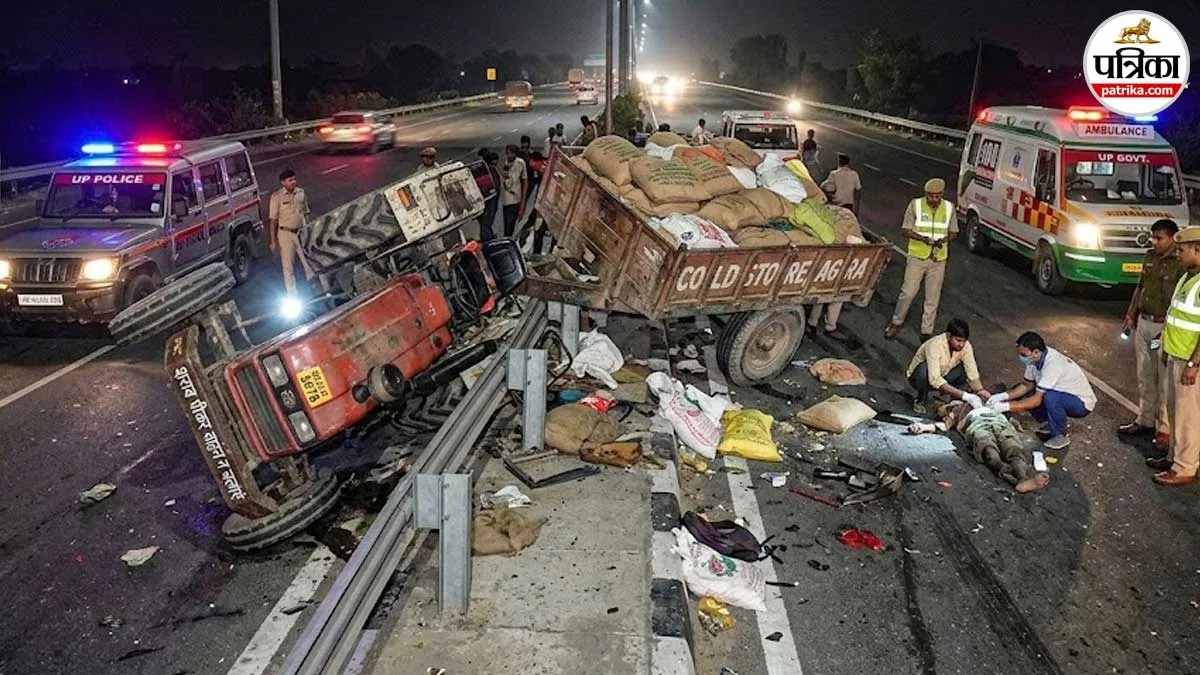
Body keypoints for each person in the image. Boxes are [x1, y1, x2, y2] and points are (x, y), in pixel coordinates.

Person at [1118, 219, 1183, 448]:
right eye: (1153, 237)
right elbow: (1140, 287)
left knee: (1164, 379)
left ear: (1173, 238)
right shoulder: (1150, 258)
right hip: (1143, 324)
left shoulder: (1180, 263)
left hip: (1163, 328)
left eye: (1159, 238)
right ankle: (1145, 420)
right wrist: (1130, 314)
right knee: (1144, 375)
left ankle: (1164, 428)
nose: (1154, 242)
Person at [1148, 226, 1200, 486]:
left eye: (1182, 250)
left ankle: (1185, 467)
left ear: (1197, 250)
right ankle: (1173, 458)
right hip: (1175, 354)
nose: (1178, 254)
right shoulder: (1188, 276)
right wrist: (1166, 348)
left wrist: (1194, 363)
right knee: (1175, 412)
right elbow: (1175, 316)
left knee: (1188, 417)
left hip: (1190, 362)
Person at [986, 332, 1096, 450]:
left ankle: (1060, 436)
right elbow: (1026, 385)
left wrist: (1005, 407)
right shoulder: (1033, 360)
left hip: (1081, 403)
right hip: (1062, 394)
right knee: (1028, 392)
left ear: (1036, 352)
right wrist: (1002, 396)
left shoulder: (1053, 364)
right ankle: (1051, 421)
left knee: (1049, 397)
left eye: (1023, 354)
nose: (1021, 357)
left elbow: (1037, 400)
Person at [884, 178, 956, 342]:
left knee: (933, 296)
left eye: (937, 196)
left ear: (942, 194)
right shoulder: (915, 205)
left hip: (938, 257)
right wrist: (923, 239)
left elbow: (954, 232)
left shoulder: (949, 207)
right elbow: (906, 230)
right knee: (908, 292)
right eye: (930, 196)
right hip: (917, 256)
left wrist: (944, 239)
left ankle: (926, 330)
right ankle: (896, 321)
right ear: (925, 194)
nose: (933, 199)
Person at [926, 401, 1050, 494]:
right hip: (979, 425)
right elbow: (943, 425)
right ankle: (1018, 481)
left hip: (1000, 423)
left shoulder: (984, 401)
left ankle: (1023, 479)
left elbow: (1010, 414)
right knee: (990, 452)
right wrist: (925, 426)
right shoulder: (958, 410)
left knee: (1012, 449)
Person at [906, 318, 991, 414]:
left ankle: (953, 403)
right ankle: (920, 401)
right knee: (923, 369)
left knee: (963, 369)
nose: (961, 345)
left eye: (964, 341)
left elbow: (972, 372)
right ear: (949, 336)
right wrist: (965, 396)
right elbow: (935, 379)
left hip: (944, 375)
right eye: (958, 340)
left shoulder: (966, 346)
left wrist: (980, 390)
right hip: (920, 378)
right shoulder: (935, 345)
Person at [268, 168, 314, 295]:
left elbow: (306, 212)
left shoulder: (301, 193)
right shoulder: (276, 197)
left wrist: (309, 229)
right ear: (283, 182)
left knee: (309, 261)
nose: (293, 182)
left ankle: (316, 287)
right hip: (285, 234)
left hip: (301, 232)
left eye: (294, 179)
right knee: (288, 266)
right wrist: (273, 241)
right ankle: (292, 295)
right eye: (290, 180)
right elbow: (273, 220)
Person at [500, 144, 527, 238]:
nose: (509, 156)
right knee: (506, 225)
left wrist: (523, 203)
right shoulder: (506, 163)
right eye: (507, 153)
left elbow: (524, 181)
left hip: (515, 199)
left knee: (510, 225)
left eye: (511, 153)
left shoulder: (520, 163)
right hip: (505, 200)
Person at [475, 149, 502, 240]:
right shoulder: (483, 171)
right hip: (486, 203)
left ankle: (488, 240)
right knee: (485, 225)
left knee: (486, 225)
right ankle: (488, 241)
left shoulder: (491, 171)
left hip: (490, 203)